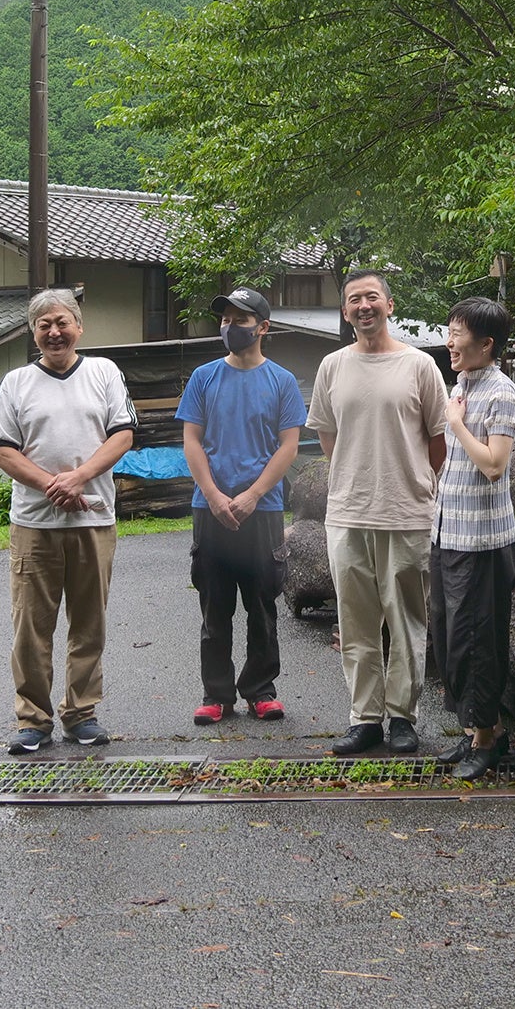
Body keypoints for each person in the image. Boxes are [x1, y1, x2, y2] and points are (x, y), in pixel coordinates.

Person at [0, 289, 138, 755]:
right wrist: (53, 485)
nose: (54, 332)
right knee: (31, 627)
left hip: (94, 519)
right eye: (44, 325)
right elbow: (2, 449)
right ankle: (33, 719)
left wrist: (79, 477)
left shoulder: (104, 372)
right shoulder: (15, 382)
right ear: (33, 332)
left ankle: (81, 712)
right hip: (34, 524)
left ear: (78, 326)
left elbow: (123, 435)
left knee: (89, 623)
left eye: (62, 322)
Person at [305, 269, 447, 755]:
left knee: (406, 620)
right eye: (354, 300)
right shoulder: (332, 366)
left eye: (371, 297)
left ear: (389, 304)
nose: (363, 306)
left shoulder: (419, 365)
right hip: (347, 512)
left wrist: (413, 481)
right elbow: (327, 434)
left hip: (406, 511)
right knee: (356, 621)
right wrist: (354, 474)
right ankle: (364, 717)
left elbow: (437, 440)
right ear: (345, 312)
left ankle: (402, 716)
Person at [177, 286, 307, 726]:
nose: (230, 326)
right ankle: (216, 695)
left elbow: (288, 446)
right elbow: (191, 440)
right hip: (209, 508)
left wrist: (253, 494)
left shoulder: (282, 381)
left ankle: (260, 690)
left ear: (263, 327)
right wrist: (214, 495)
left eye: (240, 320)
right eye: (226, 319)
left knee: (262, 605)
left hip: (263, 511)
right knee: (214, 607)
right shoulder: (204, 377)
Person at [428, 297, 515, 780]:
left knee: (478, 641)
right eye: (448, 331)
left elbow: (494, 464)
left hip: (482, 542)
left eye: (457, 333)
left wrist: (456, 424)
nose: (449, 341)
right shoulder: (462, 383)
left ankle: (487, 739)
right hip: (448, 532)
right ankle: (479, 730)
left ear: (486, 344)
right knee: (449, 636)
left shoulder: (502, 392)